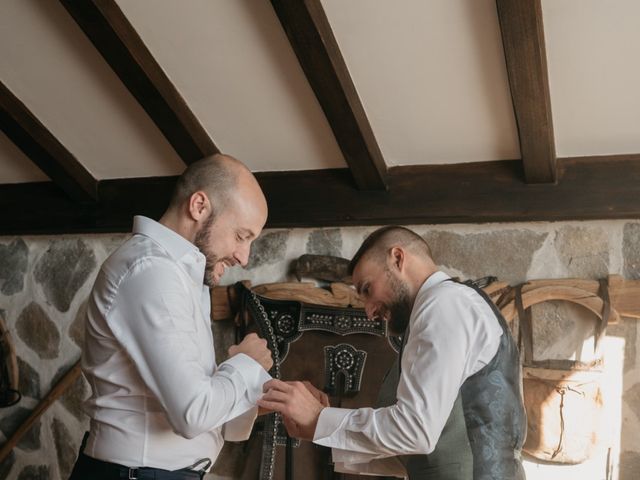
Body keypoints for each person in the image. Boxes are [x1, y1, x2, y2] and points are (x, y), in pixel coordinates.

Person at [259, 226, 527, 479]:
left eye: (367, 289)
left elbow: (415, 431)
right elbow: (421, 447)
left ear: (397, 258)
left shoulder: (443, 305)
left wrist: (321, 419)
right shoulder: (451, 304)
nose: (368, 311)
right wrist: (320, 426)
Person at [69, 154, 274, 480]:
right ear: (199, 206)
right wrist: (245, 364)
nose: (244, 257)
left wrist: (267, 395)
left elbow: (193, 402)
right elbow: (193, 413)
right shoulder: (151, 271)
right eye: (241, 235)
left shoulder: (182, 274)